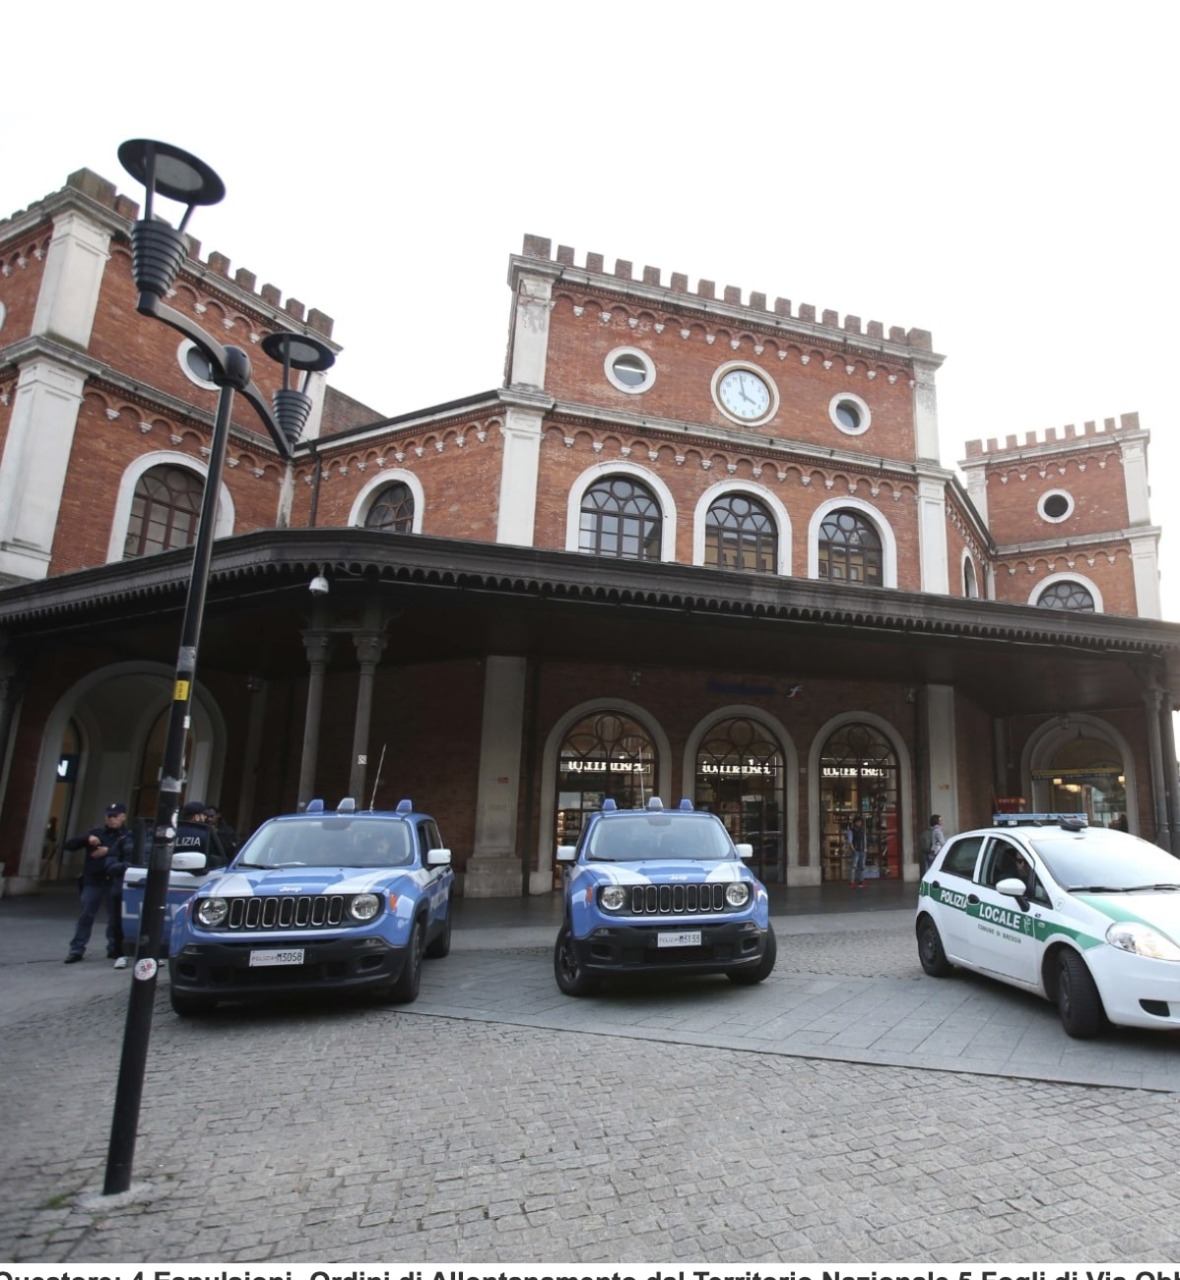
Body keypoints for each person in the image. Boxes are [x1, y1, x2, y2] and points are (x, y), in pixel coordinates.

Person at [64, 802, 133, 966]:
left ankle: (113, 948)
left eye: (115, 816)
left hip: (114, 881)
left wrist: (108, 851)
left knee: (114, 918)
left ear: (123, 817)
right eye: (109, 816)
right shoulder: (96, 833)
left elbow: (131, 855)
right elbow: (69, 845)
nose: (112, 819)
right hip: (93, 881)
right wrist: (86, 838)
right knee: (86, 915)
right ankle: (76, 949)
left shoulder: (128, 836)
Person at [844, 814, 867, 888]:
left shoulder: (862, 830)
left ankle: (861, 881)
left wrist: (865, 848)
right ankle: (852, 881)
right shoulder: (851, 831)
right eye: (858, 822)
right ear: (855, 823)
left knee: (862, 867)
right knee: (853, 866)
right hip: (856, 850)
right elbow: (850, 841)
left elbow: (864, 839)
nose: (859, 823)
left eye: (860, 822)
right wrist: (854, 849)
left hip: (862, 850)